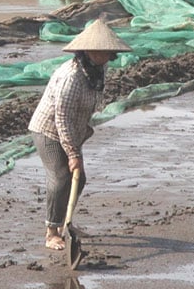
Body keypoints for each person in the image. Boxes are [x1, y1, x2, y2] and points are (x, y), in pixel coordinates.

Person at [28, 19, 132, 250]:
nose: (106, 56)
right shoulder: (71, 77)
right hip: (49, 130)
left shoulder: (98, 69)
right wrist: (73, 153)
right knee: (61, 177)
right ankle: (51, 232)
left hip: (74, 129)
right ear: (88, 51)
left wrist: (77, 143)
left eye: (108, 52)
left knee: (79, 179)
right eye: (101, 52)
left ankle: (66, 224)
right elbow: (61, 119)